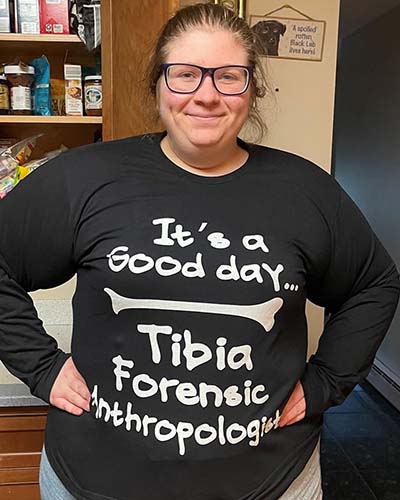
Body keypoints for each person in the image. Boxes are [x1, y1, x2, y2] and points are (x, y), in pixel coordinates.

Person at [0, 4, 399, 500]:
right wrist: (41, 366)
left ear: (251, 90)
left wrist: (326, 383)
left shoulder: (305, 191)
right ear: (157, 84)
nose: (206, 95)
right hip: (93, 482)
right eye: (185, 74)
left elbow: (373, 284)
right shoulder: (84, 177)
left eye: (229, 76)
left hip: (274, 484)